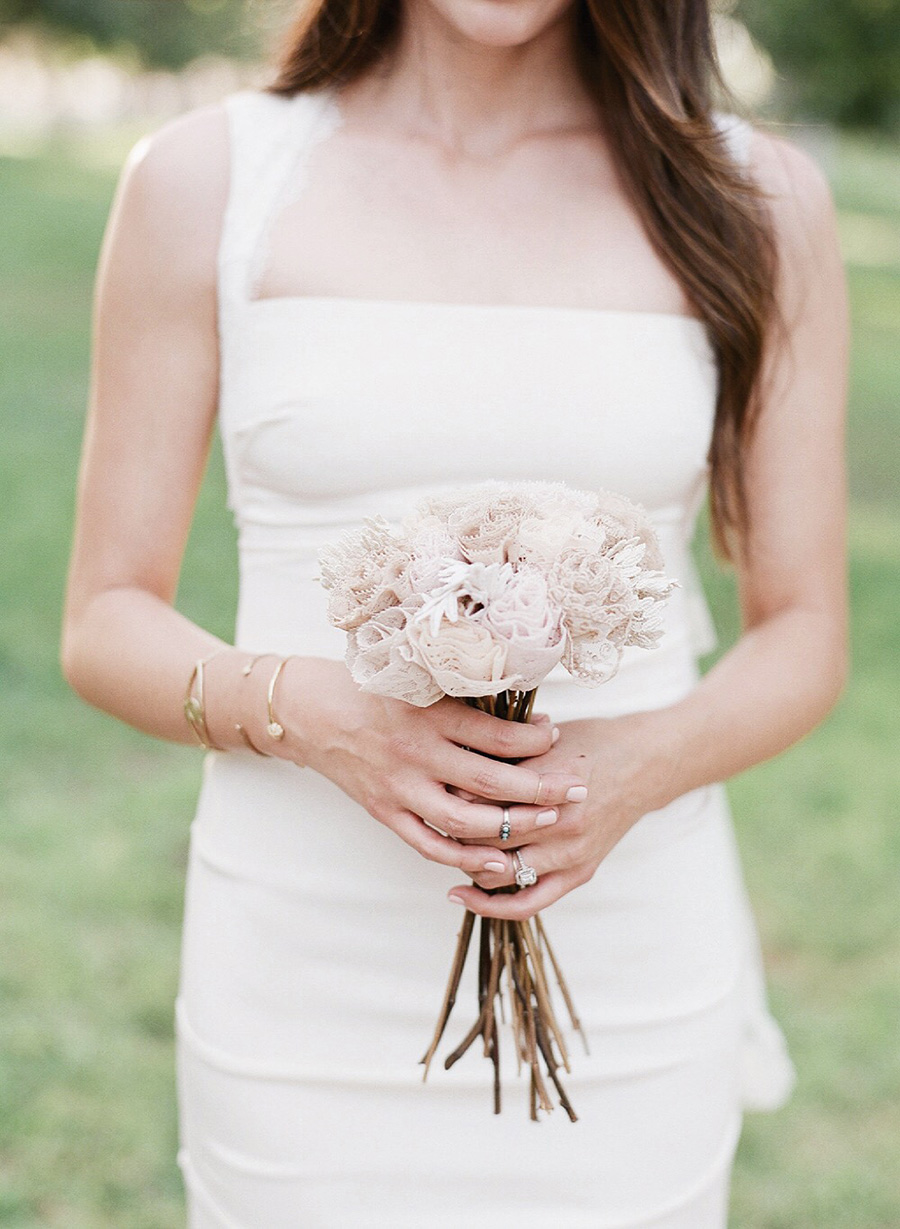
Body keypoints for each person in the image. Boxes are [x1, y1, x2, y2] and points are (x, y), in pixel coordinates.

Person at [61, 0, 848, 1221]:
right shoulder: (207, 182)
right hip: (300, 969)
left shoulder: (754, 199)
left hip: (629, 954)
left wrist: (630, 772)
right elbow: (107, 616)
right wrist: (319, 714)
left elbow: (804, 629)